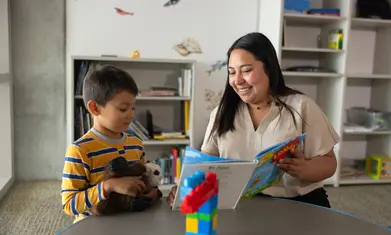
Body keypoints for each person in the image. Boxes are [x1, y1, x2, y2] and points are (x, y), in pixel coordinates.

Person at [167, 32, 340, 208]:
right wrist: (184, 188)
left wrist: (304, 169)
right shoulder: (222, 112)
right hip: (240, 204)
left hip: (298, 204)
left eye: (246, 70)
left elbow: (329, 163)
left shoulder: (301, 106)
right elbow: (206, 165)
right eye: (232, 72)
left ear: (269, 68)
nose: (237, 80)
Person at [61, 65, 156, 223]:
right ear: (95, 108)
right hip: (94, 226)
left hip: (131, 221)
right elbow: (69, 204)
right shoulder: (80, 151)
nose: (131, 115)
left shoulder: (136, 144)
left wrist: (151, 192)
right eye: (123, 109)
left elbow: (143, 182)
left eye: (133, 108)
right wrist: (108, 186)